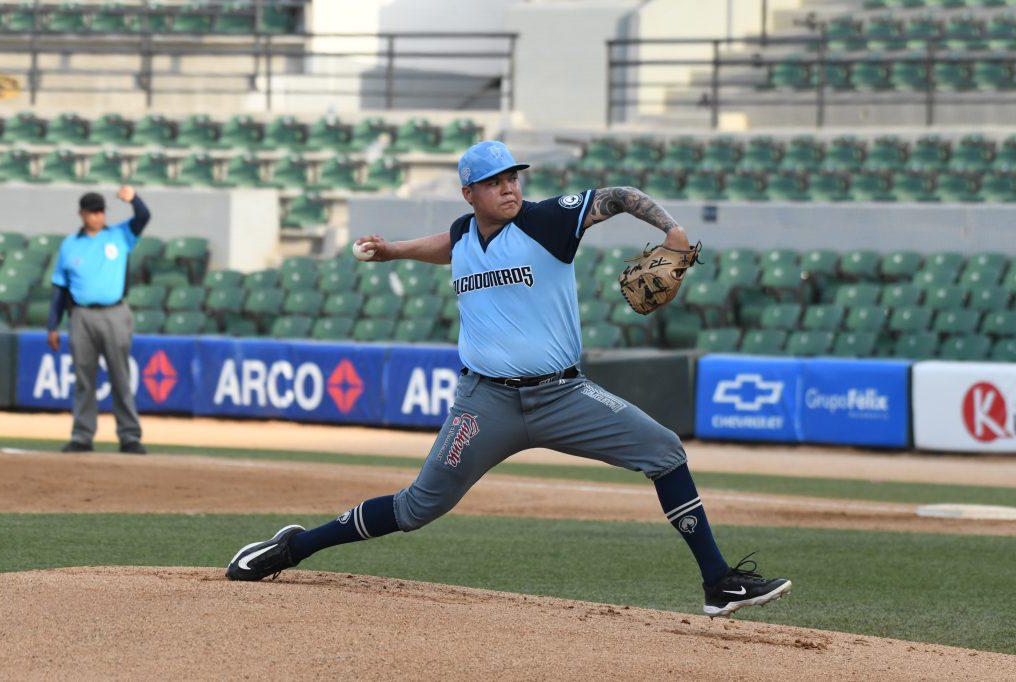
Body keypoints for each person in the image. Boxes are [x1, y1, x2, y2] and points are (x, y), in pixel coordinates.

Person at [227, 142, 792, 618]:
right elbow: (451, 244)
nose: (509, 188)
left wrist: (673, 232)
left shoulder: (547, 221)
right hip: (484, 403)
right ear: (469, 193)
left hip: (564, 395)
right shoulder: (465, 234)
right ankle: (294, 547)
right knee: (416, 508)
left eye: (513, 177)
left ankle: (719, 583)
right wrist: (396, 251)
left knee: (665, 451)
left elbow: (619, 197)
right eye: (494, 181)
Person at [47, 186, 151, 455]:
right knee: (84, 378)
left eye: (101, 210)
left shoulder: (119, 235)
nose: (98, 215)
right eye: (93, 211)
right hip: (81, 314)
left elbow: (143, 217)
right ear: (82, 214)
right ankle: (82, 435)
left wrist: (134, 199)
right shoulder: (70, 244)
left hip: (114, 313)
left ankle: (129, 436)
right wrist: (52, 325)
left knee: (120, 375)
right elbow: (60, 287)